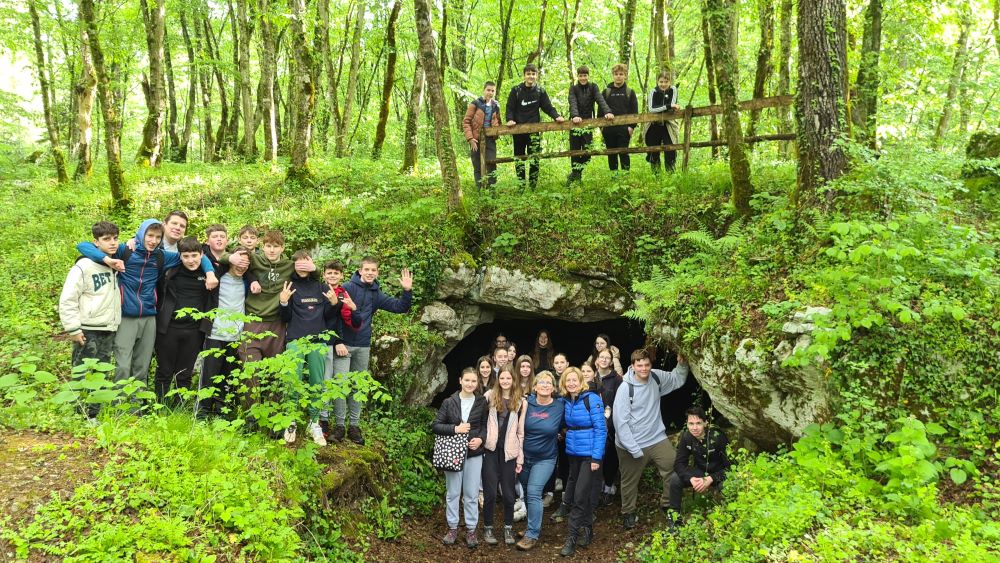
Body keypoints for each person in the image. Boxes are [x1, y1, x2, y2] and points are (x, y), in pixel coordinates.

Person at [77, 219, 218, 387]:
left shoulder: (161, 256)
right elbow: (83, 246)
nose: (153, 240)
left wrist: (210, 272)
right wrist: (108, 260)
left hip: (150, 316)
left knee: (142, 365)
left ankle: (137, 405)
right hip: (126, 315)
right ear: (141, 235)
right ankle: (120, 402)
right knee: (122, 364)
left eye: (158, 237)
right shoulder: (125, 250)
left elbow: (194, 254)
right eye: (149, 236)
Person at [335, 257, 413, 445]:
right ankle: (339, 426)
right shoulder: (347, 288)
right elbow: (334, 315)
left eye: (373, 270)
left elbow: (400, 307)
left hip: (363, 345)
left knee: (358, 387)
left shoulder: (375, 293)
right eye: (367, 269)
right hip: (343, 345)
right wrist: (337, 340)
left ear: (377, 272)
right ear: (360, 271)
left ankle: (354, 425)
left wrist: (407, 290)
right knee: (339, 386)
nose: (370, 273)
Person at [279, 251, 355, 446]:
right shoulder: (289, 284)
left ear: (312, 264)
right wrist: (284, 301)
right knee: (292, 380)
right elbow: (285, 317)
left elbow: (328, 316)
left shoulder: (321, 286)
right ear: (294, 265)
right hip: (295, 338)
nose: (302, 266)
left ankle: (314, 422)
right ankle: (291, 420)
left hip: (318, 341)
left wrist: (334, 304)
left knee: (317, 382)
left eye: (306, 262)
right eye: (299, 262)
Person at [613, 348, 689, 529]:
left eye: (647, 364)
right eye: (640, 365)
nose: (644, 368)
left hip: (656, 437)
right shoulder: (626, 387)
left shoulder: (655, 377)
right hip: (631, 442)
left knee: (674, 467)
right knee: (629, 481)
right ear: (632, 366)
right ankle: (628, 512)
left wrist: (682, 363)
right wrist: (634, 449)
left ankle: (668, 504)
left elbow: (676, 379)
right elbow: (620, 422)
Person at [59, 221, 121, 420]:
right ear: (96, 242)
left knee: (101, 373)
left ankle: (93, 414)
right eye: (106, 239)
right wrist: (73, 328)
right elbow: (68, 299)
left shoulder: (114, 264)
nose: (112, 243)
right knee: (81, 371)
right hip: (87, 329)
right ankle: (77, 414)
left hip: (108, 327)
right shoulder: (83, 266)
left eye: (115, 238)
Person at [154, 237, 216, 404]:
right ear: (179, 256)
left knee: (185, 373)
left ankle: (179, 407)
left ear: (202, 255)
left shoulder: (208, 275)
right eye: (186, 256)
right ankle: (160, 406)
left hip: (194, 331)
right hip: (168, 329)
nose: (190, 260)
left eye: (194, 255)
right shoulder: (170, 271)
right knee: (164, 371)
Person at [433, 367, 489, 548]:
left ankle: (471, 530)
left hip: (474, 454)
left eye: (474, 381)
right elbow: (436, 426)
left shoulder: (481, 402)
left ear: (477, 383)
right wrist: (455, 429)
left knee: (472, 494)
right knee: (453, 493)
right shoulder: (449, 402)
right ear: (460, 381)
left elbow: (484, 426)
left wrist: (480, 439)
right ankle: (452, 528)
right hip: (452, 454)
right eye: (467, 380)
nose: (470, 384)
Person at [556, 367, 605, 556]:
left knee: (578, 496)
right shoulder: (566, 401)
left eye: (574, 380)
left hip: (589, 456)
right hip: (573, 454)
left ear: (581, 381)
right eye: (568, 381)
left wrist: (596, 457)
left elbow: (601, 429)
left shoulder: (591, 399)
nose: (571, 383)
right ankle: (588, 528)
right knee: (579, 492)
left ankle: (572, 538)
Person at [198, 248, 250, 418]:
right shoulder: (218, 276)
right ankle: (202, 413)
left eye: (246, 262)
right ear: (231, 261)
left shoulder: (248, 281)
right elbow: (203, 253)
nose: (241, 266)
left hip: (236, 336)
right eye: (239, 261)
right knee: (209, 376)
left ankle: (223, 412)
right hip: (214, 333)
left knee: (229, 377)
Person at [515, 371, 563, 551]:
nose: (544, 385)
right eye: (541, 382)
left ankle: (532, 534)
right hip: (524, 457)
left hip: (546, 458)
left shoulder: (559, 406)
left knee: (534, 492)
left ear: (553, 387)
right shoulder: (527, 403)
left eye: (548, 382)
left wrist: (563, 434)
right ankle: (530, 526)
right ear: (534, 387)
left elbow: (570, 422)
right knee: (527, 492)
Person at [667, 406, 730, 531]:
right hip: (700, 471)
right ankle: (674, 519)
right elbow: (679, 464)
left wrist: (711, 478)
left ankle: (726, 519)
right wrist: (690, 478)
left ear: (705, 423)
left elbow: (732, 467)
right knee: (675, 479)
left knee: (727, 486)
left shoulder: (717, 436)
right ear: (687, 423)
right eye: (691, 423)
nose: (694, 428)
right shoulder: (687, 437)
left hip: (718, 473)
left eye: (698, 423)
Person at [481, 365, 525, 546]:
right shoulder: (489, 396)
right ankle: (488, 527)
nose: (505, 381)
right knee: (490, 493)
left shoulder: (521, 402)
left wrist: (520, 457)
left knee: (508, 494)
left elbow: (521, 432)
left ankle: (508, 528)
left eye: (508, 378)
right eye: (502, 378)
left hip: (510, 453)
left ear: (513, 380)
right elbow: (481, 421)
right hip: (490, 451)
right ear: (498, 380)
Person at [505, 64, 565, 189]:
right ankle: (521, 186)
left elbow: (547, 106)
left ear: (536, 76)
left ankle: (532, 187)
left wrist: (556, 116)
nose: (531, 76)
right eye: (528, 74)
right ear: (524, 75)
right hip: (518, 130)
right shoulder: (516, 90)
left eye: (533, 74)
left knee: (534, 158)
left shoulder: (540, 91)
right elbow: (510, 107)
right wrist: (510, 119)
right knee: (519, 158)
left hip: (534, 130)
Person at [319, 260, 361, 435]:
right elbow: (323, 319)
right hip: (326, 343)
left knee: (341, 385)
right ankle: (323, 421)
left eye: (336, 273)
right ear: (324, 275)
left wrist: (354, 309)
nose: (332, 276)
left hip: (342, 343)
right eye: (329, 273)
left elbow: (354, 323)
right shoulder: (319, 291)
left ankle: (340, 425)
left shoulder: (345, 294)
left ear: (342, 275)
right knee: (325, 383)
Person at [567, 65, 614, 183]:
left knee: (589, 152)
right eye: (580, 76)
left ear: (588, 76)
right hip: (575, 124)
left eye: (585, 75)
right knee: (575, 152)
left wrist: (607, 111)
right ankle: (577, 179)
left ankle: (574, 173)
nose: (583, 78)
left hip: (588, 124)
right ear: (577, 76)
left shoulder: (593, 87)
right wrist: (575, 115)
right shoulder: (573, 88)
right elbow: (572, 102)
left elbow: (600, 100)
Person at [594, 348, 623, 506]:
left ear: (611, 361)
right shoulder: (592, 377)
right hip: (595, 424)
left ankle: (609, 486)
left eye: (607, 358)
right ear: (597, 359)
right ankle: (598, 487)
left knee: (611, 456)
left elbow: (621, 402)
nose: (604, 360)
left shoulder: (617, 379)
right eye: (601, 357)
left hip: (611, 424)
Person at [462, 81, 501, 187]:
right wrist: (470, 139)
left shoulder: (496, 105)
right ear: (484, 90)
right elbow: (466, 122)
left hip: (490, 139)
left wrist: (496, 133)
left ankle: (492, 191)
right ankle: (480, 191)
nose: (490, 92)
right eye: (488, 90)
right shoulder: (476, 103)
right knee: (477, 165)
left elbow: (498, 121)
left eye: (493, 90)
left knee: (491, 164)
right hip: (476, 139)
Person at [602, 63, 639, 172]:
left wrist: (631, 127)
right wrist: (602, 128)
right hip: (608, 129)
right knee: (611, 155)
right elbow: (600, 111)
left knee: (624, 153)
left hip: (624, 129)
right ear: (613, 75)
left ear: (625, 75)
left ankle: (625, 179)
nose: (618, 76)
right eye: (616, 74)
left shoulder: (630, 92)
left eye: (621, 74)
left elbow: (634, 112)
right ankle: (614, 178)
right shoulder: (606, 92)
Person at [644, 71, 680, 173]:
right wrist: (668, 106)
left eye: (666, 81)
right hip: (653, 125)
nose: (663, 84)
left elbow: (672, 106)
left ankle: (671, 174)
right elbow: (652, 109)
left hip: (668, 125)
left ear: (669, 82)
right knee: (654, 150)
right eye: (661, 82)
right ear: (657, 81)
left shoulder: (673, 90)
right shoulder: (653, 92)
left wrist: (669, 107)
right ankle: (656, 176)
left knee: (670, 149)